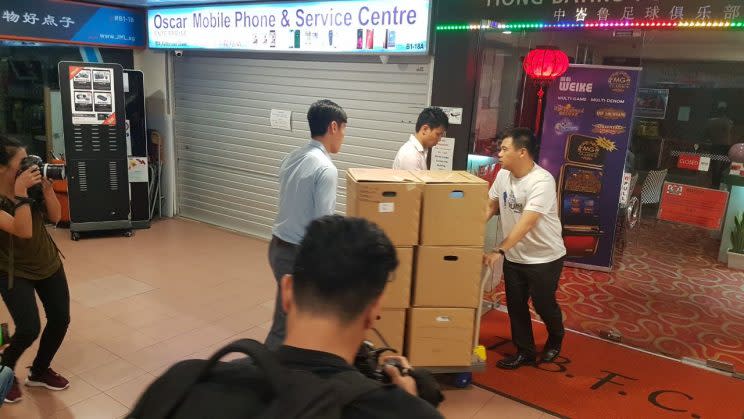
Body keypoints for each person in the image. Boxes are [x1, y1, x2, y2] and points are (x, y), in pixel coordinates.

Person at [277, 215, 443, 418]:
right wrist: (410, 405)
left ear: (286, 291)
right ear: (374, 311)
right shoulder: (407, 412)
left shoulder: (229, 381)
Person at [265, 99, 347, 351]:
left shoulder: (292, 156)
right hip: (298, 256)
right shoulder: (326, 169)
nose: (344, 137)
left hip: (277, 248)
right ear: (333, 127)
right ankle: (270, 374)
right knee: (289, 324)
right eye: (344, 129)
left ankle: (276, 369)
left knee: (287, 316)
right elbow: (323, 225)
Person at [483, 128, 567, 370]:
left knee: (543, 304)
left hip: (545, 257)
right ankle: (525, 352)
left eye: (504, 149)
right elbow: (490, 207)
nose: (498, 153)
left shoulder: (542, 181)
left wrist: (499, 250)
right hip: (516, 256)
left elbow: (527, 222)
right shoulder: (502, 176)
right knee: (515, 304)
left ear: (522, 152)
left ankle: (556, 335)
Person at [0, 135, 70, 403]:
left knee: (61, 319)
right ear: (2, 168)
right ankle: (5, 372)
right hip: (13, 270)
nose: (29, 166)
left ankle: (39, 371)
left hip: (48, 262)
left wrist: (49, 191)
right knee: (29, 328)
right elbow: (23, 231)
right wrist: (20, 194)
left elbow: (56, 217)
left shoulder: (31, 187)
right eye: (21, 163)